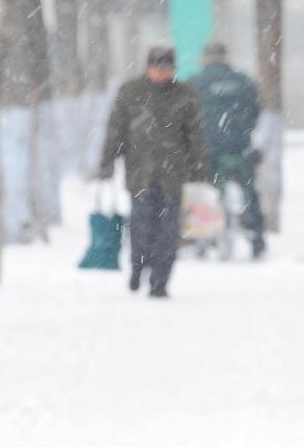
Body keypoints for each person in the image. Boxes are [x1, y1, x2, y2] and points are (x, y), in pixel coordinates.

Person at [98, 45, 210, 298]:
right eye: (157, 68)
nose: (161, 73)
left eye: (166, 68)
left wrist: (201, 168)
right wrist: (107, 162)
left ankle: (160, 281)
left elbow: (196, 135)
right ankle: (138, 266)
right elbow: (116, 130)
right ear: (148, 67)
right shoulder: (131, 92)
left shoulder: (184, 95)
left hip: (173, 175)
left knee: (168, 232)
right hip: (140, 174)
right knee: (141, 226)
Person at [189, 41, 265, 258]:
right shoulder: (244, 82)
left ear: (205, 58)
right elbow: (255, 112)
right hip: (239, 150)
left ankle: (201, 235)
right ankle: (256, 235)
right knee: (249, 189)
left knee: (202, 187)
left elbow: (186, 118)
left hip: (207, 151)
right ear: (225, 57)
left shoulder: (194, 83)